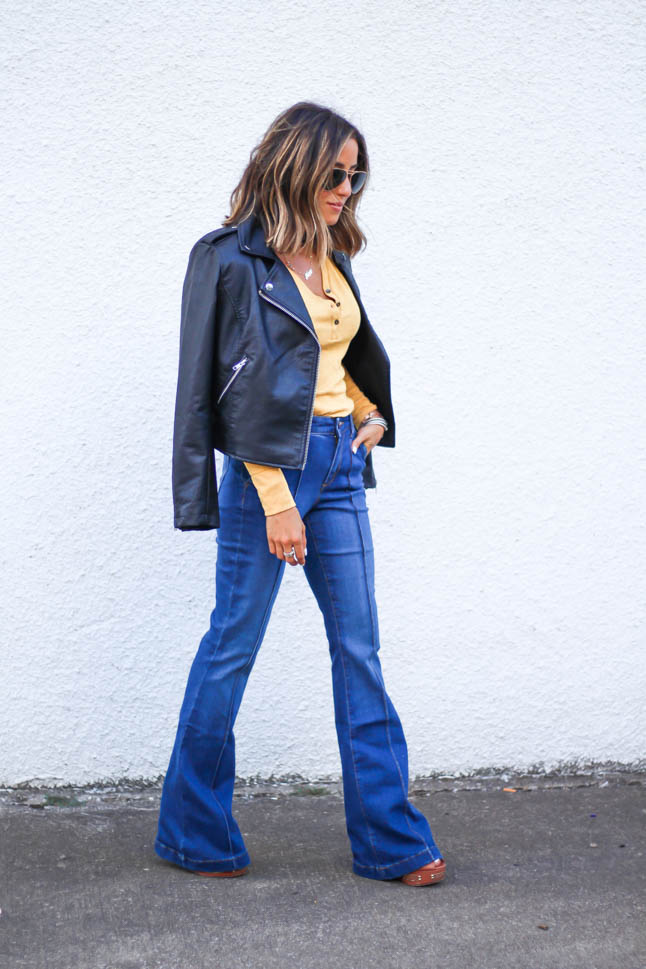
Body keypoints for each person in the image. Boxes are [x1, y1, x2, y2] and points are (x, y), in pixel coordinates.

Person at [154, 101, 446, 888]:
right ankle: (193, 828)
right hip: (267, 474)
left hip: (339, 469)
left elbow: (331, 361)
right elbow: (227, 389)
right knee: (233, 647)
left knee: (360, 649)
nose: (347, 187)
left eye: (357, 175)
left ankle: (390, 838)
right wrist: (277, 499)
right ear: (296, 164)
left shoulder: (335, 255)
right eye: (335, 173)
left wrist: (368, 412)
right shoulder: (227, 259)